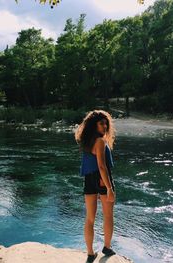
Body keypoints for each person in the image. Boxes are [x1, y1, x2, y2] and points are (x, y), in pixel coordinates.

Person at [74, 109, 117, 263]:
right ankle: (106, 247)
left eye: (106, 123)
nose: (105, 126)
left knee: (90, 218)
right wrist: (110, 188)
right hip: (102, 179)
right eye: (101, 124)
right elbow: (102, 166)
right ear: (94, 125)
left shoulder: (87, 142)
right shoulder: (100, 141)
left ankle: (90, 253)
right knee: (108, 216)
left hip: (89, 180)